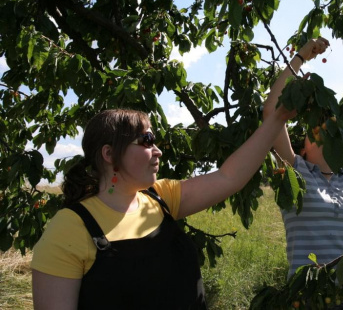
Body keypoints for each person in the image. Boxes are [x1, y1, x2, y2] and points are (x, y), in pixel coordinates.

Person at [31, 103, 295, 309]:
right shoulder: (69, 229)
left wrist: (277, 118)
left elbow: (229, 177)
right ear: (109, 154)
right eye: (146, 141)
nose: (157, 150)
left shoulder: (159, 198)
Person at [262, 38, 343, 309]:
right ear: (302, 149)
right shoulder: (295, 171)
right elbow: (270, 112)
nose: (322, 127)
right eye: (312, 129)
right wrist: (300, 57)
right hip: (314, 298)